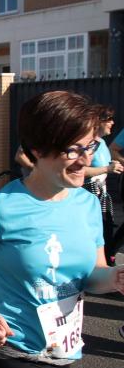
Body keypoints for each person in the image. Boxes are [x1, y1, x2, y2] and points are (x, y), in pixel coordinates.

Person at [0, 91, 124, 368]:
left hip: (61, 350)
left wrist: (116, 277)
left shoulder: (88, 204)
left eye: (90, 146)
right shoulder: (0, 206)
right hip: (8, 351)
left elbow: (93, 275)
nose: (84, 160)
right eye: (72, 149)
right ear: (38, 150)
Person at [83, 108, 123, 266]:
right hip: (89, 194)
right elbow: (80, 170)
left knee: (105, 232)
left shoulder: (102, 143)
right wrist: (107, 168)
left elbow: (104, 166)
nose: (113, 122)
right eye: (109, 119)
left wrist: (114, 165)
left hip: (102, 195)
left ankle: (106, 267)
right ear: (97, 121)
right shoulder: (89, 143)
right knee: (94, 233)